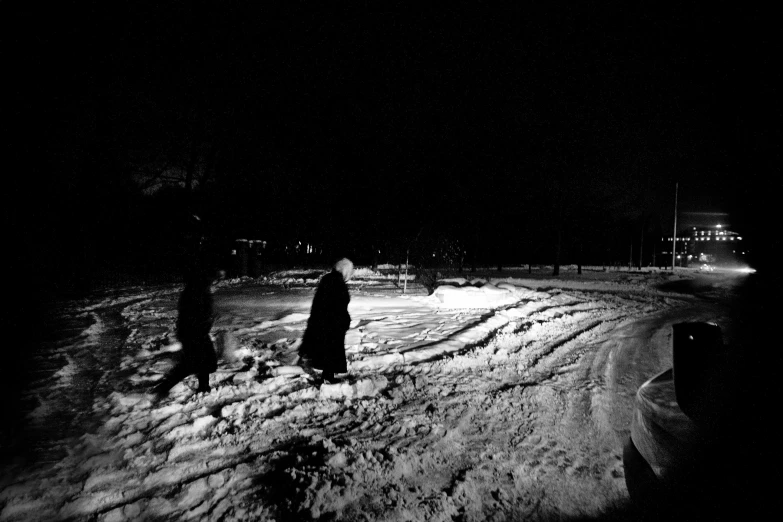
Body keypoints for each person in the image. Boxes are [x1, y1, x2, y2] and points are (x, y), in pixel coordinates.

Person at [154, 269, 218, 397]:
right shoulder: (196, 293)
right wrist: (206, 320)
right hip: (193, 333)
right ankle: (163, 388)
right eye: (215, 282)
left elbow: (201, 313)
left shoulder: (199, 292)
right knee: (193, 363)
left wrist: (209, 319)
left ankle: (203, 386)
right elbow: (193, 316)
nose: (216, 286)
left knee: (203, 360)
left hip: (196, 332)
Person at [299, 258, 354, 383]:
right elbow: (337, 305)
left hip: (326, 321)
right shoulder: (336, 281)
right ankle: (327, 377)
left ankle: (328, 376)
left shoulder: (329, 278)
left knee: (330, 350)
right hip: (331, 323)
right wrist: (343, 320)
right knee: (332, 350)